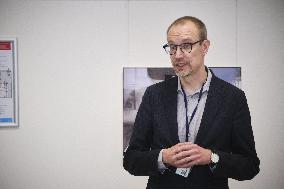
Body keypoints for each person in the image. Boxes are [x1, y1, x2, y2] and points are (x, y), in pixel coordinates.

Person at [123, 16, 260, 189]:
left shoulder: (233, 97)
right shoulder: (154, 94)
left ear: (204, 47)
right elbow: (131, 159)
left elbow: (249, 166)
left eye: (186, 46)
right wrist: (163, 157)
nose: (178, 55)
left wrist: (211, 157)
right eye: (172, 47)